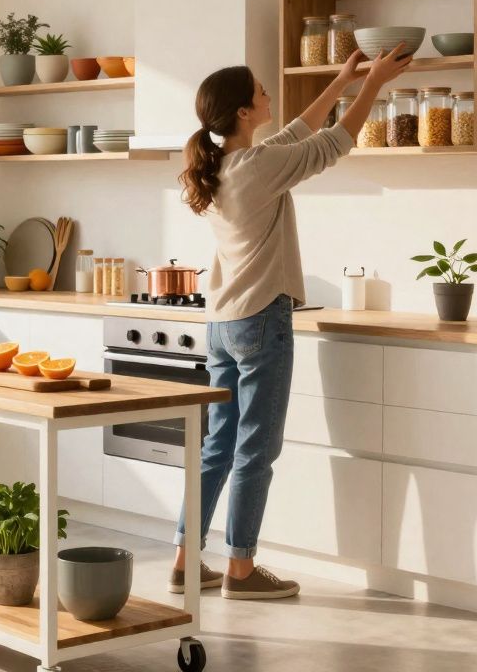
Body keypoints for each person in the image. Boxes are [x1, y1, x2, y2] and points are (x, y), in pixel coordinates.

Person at [170, 46, 411, 600]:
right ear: (243, 112)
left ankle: (185, 561)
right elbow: (333, 142)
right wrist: (373, 83)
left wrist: (342, 80)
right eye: (261, 91)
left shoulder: (224, 166)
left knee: (218, 447)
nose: (269, 95)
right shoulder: (258, 167)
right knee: (256, 449)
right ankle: (241, 569)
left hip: (222, 324)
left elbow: (298, 132)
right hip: (261, 320)